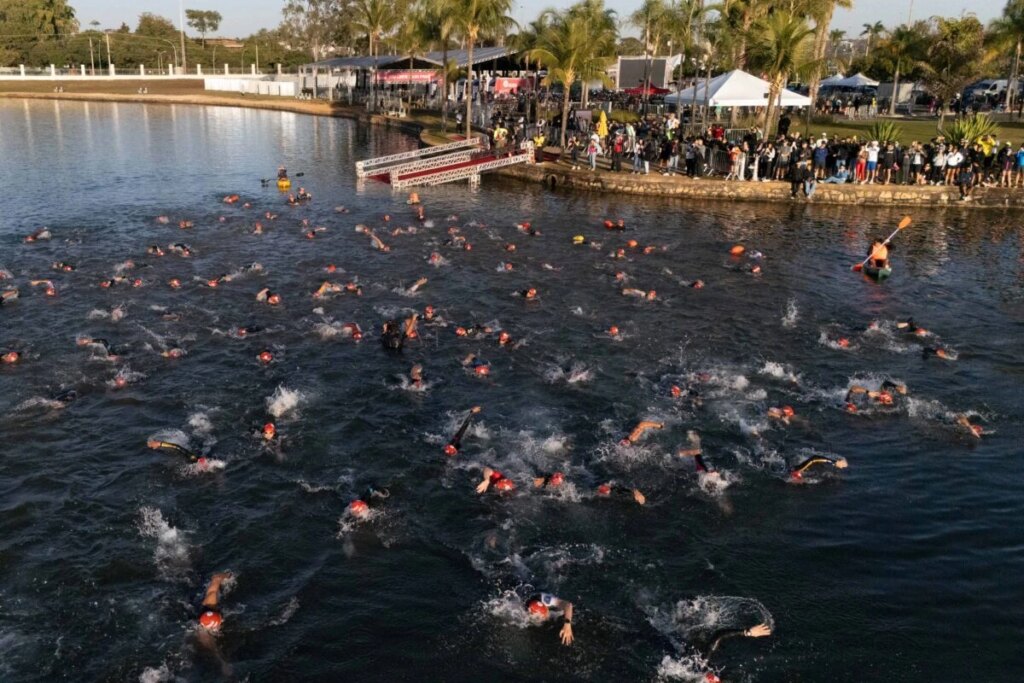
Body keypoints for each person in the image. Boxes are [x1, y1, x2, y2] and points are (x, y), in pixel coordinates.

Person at [196, 572, 233, 636]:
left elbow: (216, 578)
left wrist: (228, 576)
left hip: (198, 599)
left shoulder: (210, 602)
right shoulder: (200, 629)